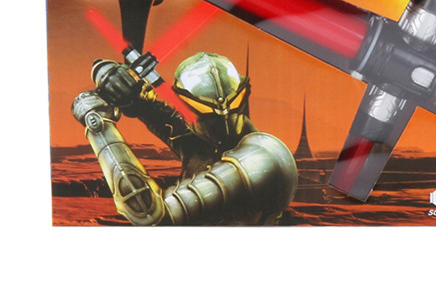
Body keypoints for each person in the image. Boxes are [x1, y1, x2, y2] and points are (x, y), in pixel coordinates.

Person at [72, 52, 297, 225]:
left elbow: (150, 215)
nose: (221, 117)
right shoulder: (209, 142)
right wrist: (113, 78)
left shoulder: (261, 161)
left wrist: (99, 127)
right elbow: (159, 115)